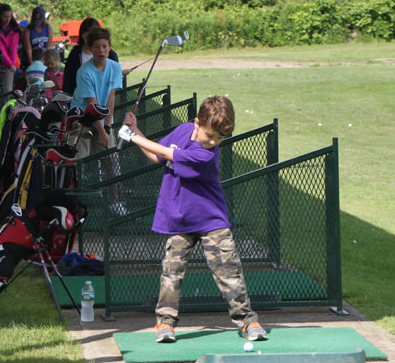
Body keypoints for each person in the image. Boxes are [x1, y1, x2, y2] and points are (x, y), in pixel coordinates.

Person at [118, 95, 268, 344]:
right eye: (210, 135)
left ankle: (246, 321)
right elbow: (157, 156)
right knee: (171, 272)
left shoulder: (206, 156)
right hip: (178, 218)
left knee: (228, 270)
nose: (214, 142)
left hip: (211, 220)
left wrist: (131, 136)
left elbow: (167, 153)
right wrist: (135, 130)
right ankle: (164, 324)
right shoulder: (184, 130)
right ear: (196, 122)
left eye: (220, 138)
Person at [68, 27, 122, 159]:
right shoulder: (84, 72)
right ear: (91, 49)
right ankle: (78, 179)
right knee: (80, 158)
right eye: (97, 47)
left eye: (104, 46)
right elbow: (92, 105)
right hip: (83, 118)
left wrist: (107, 128)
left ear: (110, 47)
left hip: (102, 118)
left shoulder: (115, 67)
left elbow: (111, 97)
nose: (101, 50)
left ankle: (114, 181)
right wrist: (102, 131)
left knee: (111, 157)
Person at [61, 17, 120, 95]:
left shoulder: (111, 55)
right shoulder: (76, 53)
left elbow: (114, 85)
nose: (101, 51)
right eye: (86, 38)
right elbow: (68, 79)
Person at [0, 3, 32, 94]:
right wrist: (10, 64)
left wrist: (12, 64)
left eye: (9, 17)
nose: (7, 20)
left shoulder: (15, 29)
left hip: (10, 62)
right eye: (5, 17)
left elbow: (13, 48)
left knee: (8, 89)